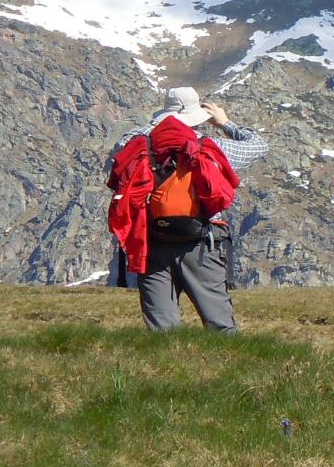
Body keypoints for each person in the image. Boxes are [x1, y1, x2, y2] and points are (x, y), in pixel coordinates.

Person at [108, 87, 269, 332]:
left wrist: (151, 129)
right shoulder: (212, 147)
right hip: (203, 243)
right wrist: (225, 122)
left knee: (161, 330)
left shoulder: (136, 145)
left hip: (151, 244)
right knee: (220, 327)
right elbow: (258, 146)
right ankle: (224, 367)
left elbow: (116, 158)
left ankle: (166, 369)